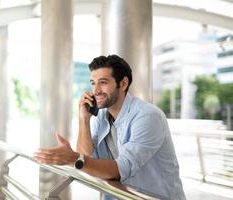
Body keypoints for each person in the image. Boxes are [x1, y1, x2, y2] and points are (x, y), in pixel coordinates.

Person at [34, 54, 186, 200]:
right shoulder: (101, 115)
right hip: (123, 195)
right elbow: (86, 157)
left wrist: (74, 159)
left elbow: (120, 169)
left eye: (103, 82)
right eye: (93, 83)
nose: (96, 90)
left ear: (123, 83)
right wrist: (83, 119)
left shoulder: (148, 116)